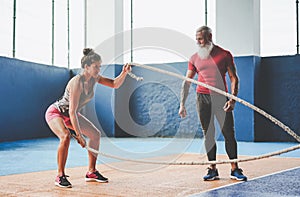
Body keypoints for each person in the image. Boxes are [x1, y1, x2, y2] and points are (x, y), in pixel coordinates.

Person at [45, 48, 131, 188]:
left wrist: (124, 73)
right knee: (65, 136)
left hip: (71, 114)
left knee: (95, 134)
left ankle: (91, 172)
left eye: (99, 66)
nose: (98, 69)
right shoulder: (76, 81)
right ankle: (60, 175)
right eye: (96, 67)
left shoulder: (95, 78)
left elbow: (114, 84)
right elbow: (72, 111)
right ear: (86, 67)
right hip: (57, 112)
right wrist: (79, 135)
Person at [178, 26, 247, 181]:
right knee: (208, 133)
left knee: (228, 133)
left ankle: (235, 169)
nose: (198, 42)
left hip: (221, 97)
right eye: (196, 39)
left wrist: (232, 99)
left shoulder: (224, 54)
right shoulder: (194, 57)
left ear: (209, 36)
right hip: (202, 97)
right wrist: (182, 103)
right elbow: (187, 82)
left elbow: (233, 77)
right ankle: (212, 168)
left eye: (201, 39)